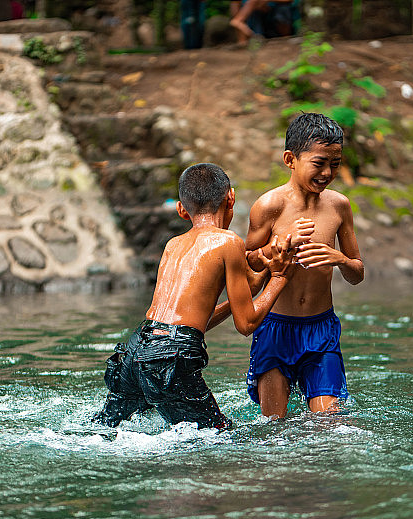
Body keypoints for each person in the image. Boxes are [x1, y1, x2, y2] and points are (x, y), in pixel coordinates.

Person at [92, 163, 295, 430]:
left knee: (103, 430)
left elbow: (190, 323)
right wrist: (280, 278)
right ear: (230, 197)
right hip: (170, 358)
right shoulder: (227, 241)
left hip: (135, 351)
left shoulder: (172, 245)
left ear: (181, 209)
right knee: (222, 436)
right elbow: (246, 325)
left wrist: (265, 276)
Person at [243, 113, 364, 419]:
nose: (327, 173)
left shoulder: (339, 206)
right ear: (290, 159)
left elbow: (357, 274)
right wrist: (278, 245)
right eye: (319, 163)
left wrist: (341, 260)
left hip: (321, 330)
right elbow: (246, 264)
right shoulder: (270, 206)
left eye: (335, 164)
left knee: (330, 425)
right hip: (276, 328)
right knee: (274, 428)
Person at [230, 0, 297, 45]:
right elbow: (235, 19)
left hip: (271, 14)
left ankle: (251, 38)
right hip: (253, 16)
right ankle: (246, 40)